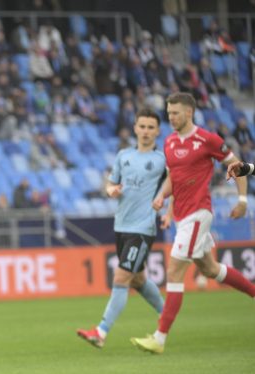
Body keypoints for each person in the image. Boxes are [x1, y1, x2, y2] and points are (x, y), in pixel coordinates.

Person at [131, 92, 255, 354]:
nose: (171, 117)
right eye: (169, 113)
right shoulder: (169, 142)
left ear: (189, 112)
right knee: (210, 269)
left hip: (198, 213)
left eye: (175, 113)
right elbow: (173, 178)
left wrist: (242, 200)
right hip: (182, 216)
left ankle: (159, 338)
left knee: (174, 271)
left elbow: (237, 166)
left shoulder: (208, 140)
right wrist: (161, 197)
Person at [77, 109, 167, 348]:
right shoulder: (123, 155)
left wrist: (170, 210)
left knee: (121, 277)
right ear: (135, 128)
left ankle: (100, 332)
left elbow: (175, 185)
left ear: (157, 131)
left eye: (150, 127)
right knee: (138, 280)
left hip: (143, 228)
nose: (146, 131)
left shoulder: (162, 160)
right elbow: (110, 184)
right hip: (121, 225)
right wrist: (111, 191)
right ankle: (167, 314)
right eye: (142, 126)